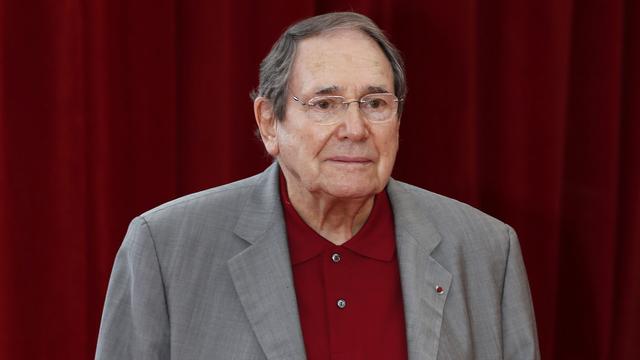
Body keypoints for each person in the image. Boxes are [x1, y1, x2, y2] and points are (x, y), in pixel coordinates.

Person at [95, 12, 539, 360]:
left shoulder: (485, 250)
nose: (355, 128)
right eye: (325, 103)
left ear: (398, 119)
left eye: (375, 103)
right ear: (270, 122)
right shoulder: (165, 248)